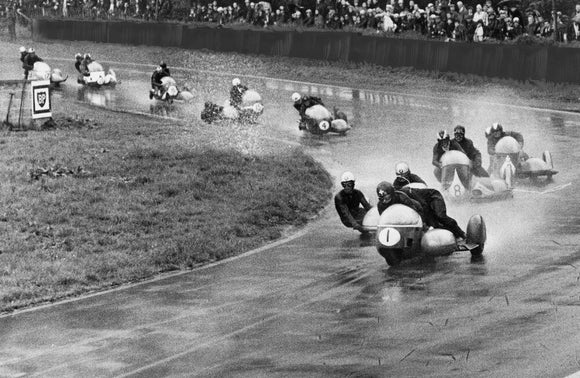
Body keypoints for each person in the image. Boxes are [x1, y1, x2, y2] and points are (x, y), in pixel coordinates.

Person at [399, 185, 467, 241]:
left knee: (440, 216)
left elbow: (423, 205)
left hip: (433, 197)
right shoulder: (392, 200)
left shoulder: (404, 194)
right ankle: (452, 235)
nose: (387, 196)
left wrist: (426, 222)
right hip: (424, 203)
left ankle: (461, 233)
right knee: (434, 225)